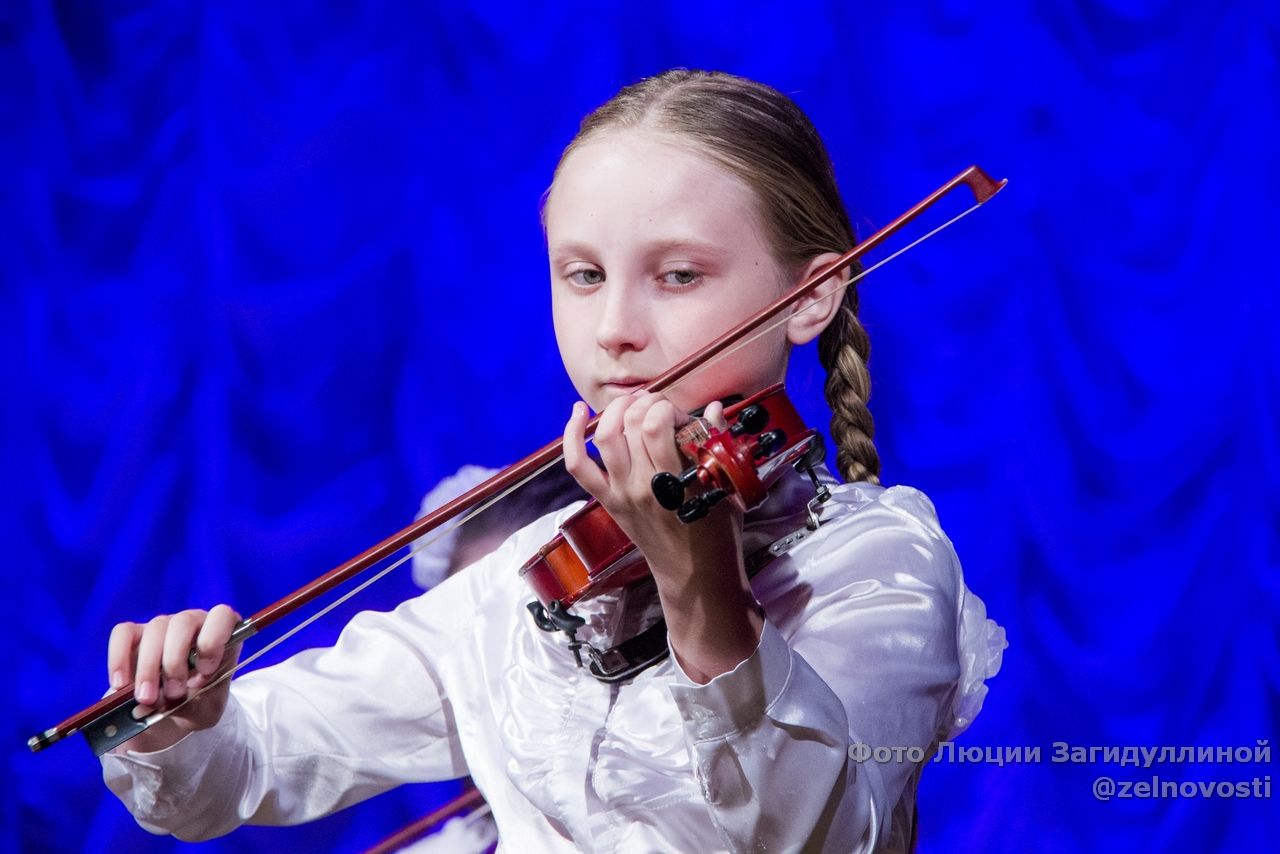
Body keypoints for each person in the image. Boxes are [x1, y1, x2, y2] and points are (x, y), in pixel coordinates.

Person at [101, 69, 1005, 852]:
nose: (615, 330)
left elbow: (822, 841)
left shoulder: (875, 564)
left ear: (810, 299)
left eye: (679, 275)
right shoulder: (533, 584)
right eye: (583, 275)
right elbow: (248, 768)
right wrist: (192, 720)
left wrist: (701, 592)